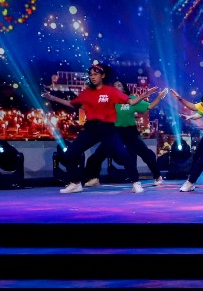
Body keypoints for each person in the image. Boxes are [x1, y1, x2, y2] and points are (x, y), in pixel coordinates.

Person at [42, 65, 149, 194]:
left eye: (96, 74)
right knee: (70, 153)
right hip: (91, 128)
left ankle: (136, 183)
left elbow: (130, 102)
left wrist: (143, 96)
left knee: (124, 155)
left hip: (107, 129)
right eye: (91, 74)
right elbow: (72, 104)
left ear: (102, 76)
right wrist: (52, 98)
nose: (92, 77)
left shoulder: (111, 91)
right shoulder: (87, 92)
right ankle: (75, 183)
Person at [83, 80, 165, 188]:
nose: (116, 87)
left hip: (130, 131)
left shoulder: (132, 99)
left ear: (124, 88)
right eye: (114, 86)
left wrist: (160, 97)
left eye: (119, 85)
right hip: (115, 131)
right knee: (98, 154)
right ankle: (94, 178)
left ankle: (157, 176)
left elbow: (149, 106)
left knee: (145, 154)